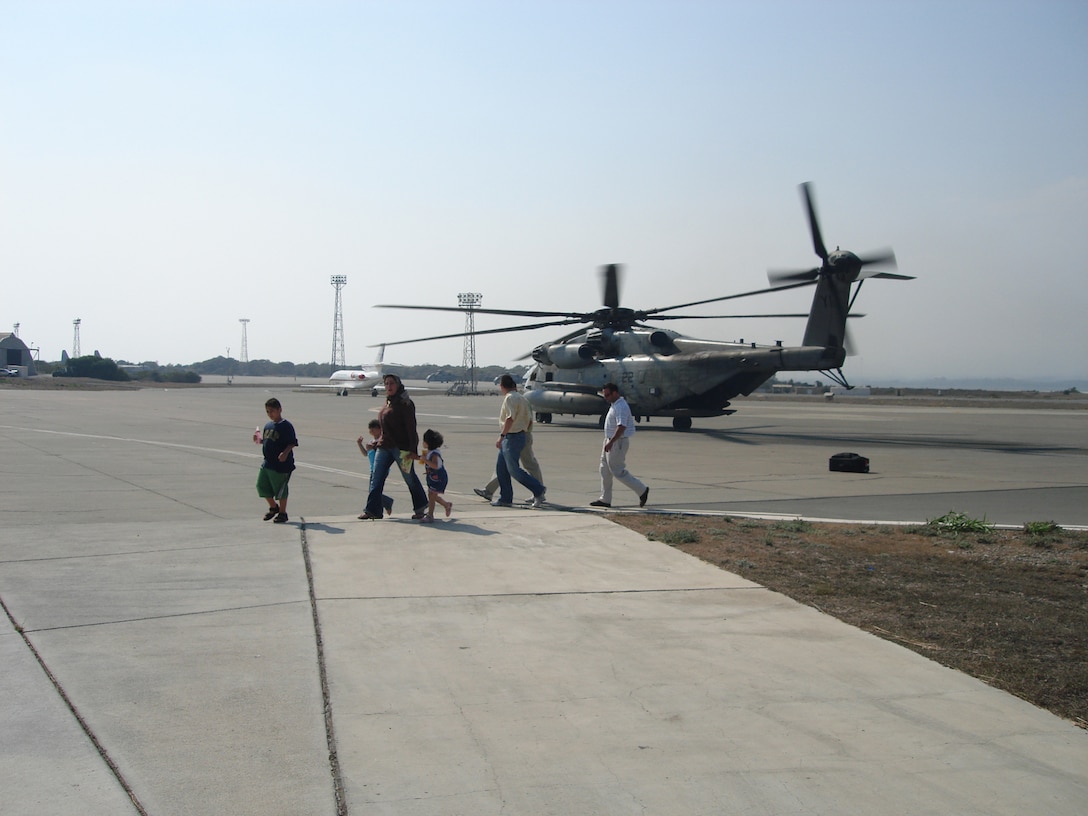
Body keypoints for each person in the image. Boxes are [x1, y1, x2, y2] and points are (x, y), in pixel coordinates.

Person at [358, 374, 429, 520]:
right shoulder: (387, 403)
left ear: (398, 385)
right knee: (376, 478)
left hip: (402, 449)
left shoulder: (405, 404)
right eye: (386, 384)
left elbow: (411, 428)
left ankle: (420, 507)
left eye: (391, 383)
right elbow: (384, 428)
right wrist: (377, 442)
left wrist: (413, 451)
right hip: (384, 447)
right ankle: (373, 510)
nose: (388, 386)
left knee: (409, 478)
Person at [590, 382, 649, 508]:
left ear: (615, 393)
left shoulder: (621, 406)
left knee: (617, 471)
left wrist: (611, 442)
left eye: (608, 395)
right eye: (604, 395)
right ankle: (605, 499)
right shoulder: (614, 404)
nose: (605, 397)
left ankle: (642, 490)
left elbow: (621, 426)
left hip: (617, 442)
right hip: (609, 440)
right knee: (604, 469)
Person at [493, 373, 547, 508]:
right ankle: (505, 498)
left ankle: (538, 489)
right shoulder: (522, 398)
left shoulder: (510, 398)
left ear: (502, 386)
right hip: (520, 434)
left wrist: (502, 436)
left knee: (513, 470)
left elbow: (509, 418)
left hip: (512, 437)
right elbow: (529, 420)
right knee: (501, 468)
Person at [473, 416, 543, 502]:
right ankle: (489, 490)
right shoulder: (521, 402)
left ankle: (539, 490)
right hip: (517, 434)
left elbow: (512, 418)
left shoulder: (514, 402)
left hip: (518, 435)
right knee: (504, 465)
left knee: (520, 466)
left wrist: (503, 435)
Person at [254, 397, 298, 524]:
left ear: (280, 410)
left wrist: (285, 453)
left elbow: (292, 443)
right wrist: (259, 440)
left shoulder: (286, 426)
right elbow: (269, 440)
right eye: (267, 411)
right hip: (267, 462)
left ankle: (283, 513)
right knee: (261, 485)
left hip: (281, 465)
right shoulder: (268, 425)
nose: (270, 414)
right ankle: (274, 507)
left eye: (272, 411)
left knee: (281, 489)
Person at [357, 418, 394, 517]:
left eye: (373, 429)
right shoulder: (372, 441)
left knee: (373, 491)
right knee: (373, 491)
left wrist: (373, 447)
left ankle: (386, 503)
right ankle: (379, 511)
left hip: (380, 469)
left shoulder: (381, 440)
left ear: (379, 429)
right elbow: (366, 454)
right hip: (373, 469)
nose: (371, 432)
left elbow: (381, 451)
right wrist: (360, 445)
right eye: (370, 430)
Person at [419, 428, 453, 523]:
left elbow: (436, 465)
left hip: (439, 478)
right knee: (432, 495)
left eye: (424, 441)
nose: (422, 443)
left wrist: (425, 460)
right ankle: (446, 505)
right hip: (433, 477)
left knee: (432, 495)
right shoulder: (428, 452)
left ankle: (430, 515)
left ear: (428, 443)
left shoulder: (434, 454)